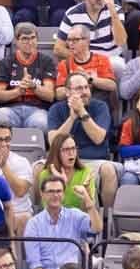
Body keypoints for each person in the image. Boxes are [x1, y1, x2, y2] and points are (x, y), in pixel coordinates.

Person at [46, 71, 119, 207]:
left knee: (108, 170)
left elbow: (98, 138)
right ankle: (40, 214)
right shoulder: (56, 109)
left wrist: (82, 112)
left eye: (86, 87)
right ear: (67, 92)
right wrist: (72, 118)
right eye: (79, 88)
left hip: (94, 162)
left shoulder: (100, 107)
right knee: (38, 167)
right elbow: (53, 143)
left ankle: (107, 218)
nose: (85, 92)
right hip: (62, 162)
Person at [24, 176, 100, 269]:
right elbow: (34, 263)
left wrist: (88, 201)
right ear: (42, 194)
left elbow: (97, 228)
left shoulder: (75, 215)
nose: (55, 195)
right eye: (50, 191)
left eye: (59, 191)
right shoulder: (33, 224)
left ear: (64, 194)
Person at [0, 22, 57, 130]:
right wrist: (18, 91)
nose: (30, 42)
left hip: (37, 109)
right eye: (25, 39)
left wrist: (34, 86)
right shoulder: (6, 62)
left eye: (33, 38)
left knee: (41, 123)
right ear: (16, 42)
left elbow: (50, 96)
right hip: (10, 108)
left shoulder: (47, 61)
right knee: (1, 117)